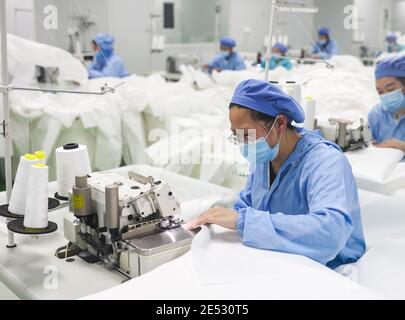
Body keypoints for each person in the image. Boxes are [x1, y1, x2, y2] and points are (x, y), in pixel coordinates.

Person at [186, 79, 366, 269]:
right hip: (282, 258)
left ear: (280, 124)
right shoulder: (265, 159)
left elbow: (331, 232)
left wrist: (244, 222)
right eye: (236, 135)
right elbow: (247, 205)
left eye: (246, 135)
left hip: (331, 267)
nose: (243, 143)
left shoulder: (325, 161)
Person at [368, 56, 405, 152]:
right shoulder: (376, 115)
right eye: (380, 92)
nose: (386, 95)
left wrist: (402, 146)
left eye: (390, 89)